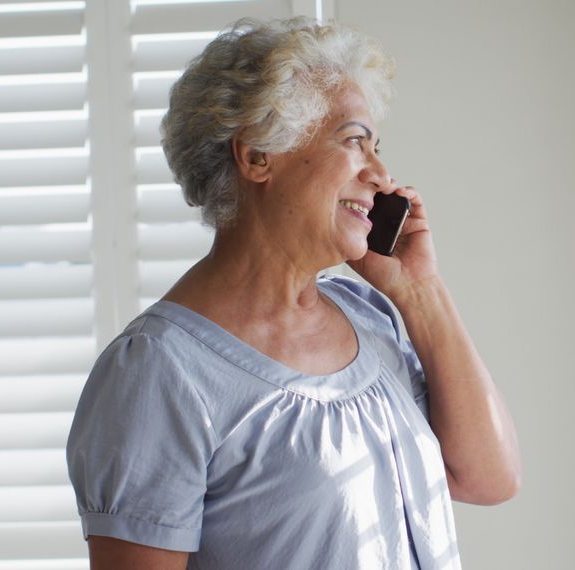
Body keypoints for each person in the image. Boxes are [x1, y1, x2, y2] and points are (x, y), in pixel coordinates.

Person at [66, 16, 522, 570]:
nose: (381, 173)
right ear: (257, 154)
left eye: (378, 146)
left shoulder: (372, 317)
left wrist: (421, 293)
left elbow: (488, 478)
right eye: (355, 141)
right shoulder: (158, 373)